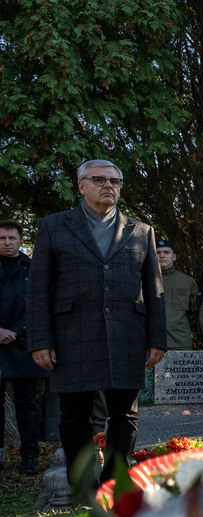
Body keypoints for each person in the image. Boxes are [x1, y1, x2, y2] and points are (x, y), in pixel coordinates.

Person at [27, 159, 166, 490]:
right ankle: (83, 487)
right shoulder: (53, 227)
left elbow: (154, 289)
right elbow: (37, 290)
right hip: (71, 334)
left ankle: (113, 483)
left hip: (127, 334)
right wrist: (40, 340)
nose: (109, 186)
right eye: (100, 180)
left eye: (115, 181)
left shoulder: (141, 231)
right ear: (81, 186)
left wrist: (157, 338)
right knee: (75, 416)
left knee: (125, 415)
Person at [0, 220, 49, 475]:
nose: (7, 243)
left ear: (21, 241)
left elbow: (38, 305)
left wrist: (15, 331)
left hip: (23, 345)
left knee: (27, 406)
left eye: (11, 238)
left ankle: (30, 457)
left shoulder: (34, 269)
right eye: (1, 238)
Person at [156, 239, 200, 350]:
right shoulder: (144, 280)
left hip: (179, 342)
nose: (162, 256)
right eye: (158, 252)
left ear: (174, 257)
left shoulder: (187, 282)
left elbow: (194, 311)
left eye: (166, 252)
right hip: (151, 344)